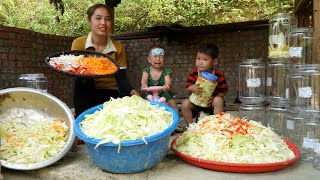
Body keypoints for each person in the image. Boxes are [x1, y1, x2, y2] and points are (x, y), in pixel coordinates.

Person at [71, 3, 139, 117]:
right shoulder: (79, 43)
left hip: (109, 90)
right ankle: (81, 122)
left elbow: (122, 79)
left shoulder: (118, 48)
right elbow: (76, 73)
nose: (103, 23)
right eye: (98, 18)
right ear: (89, 21)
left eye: (107, 19)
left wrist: (134, 93)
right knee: (82, 81)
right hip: (85, 90)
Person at [181, 43, 228, 126]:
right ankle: (190, 127)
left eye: (205, 59)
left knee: (219, 100)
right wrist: (191, 88)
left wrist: (213, 98)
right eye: (198, 58)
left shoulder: (218, 75)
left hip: (211, 103)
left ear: (214, 62)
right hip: (195, 102)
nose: (200, 62)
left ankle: (218, 125)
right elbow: (187, 90)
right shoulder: (193, 74)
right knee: (185, 103)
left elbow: (224, 91)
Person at [140, 45, 179, 113]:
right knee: (144, 106)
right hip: (151, 94)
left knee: (173, 104)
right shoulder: (146, 71)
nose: (158, 59)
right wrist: (144, 85)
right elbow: (144, 80)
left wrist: (167, 85)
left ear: (164, 59)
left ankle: (176, 121)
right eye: (155, 56)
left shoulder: (166, 71)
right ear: (149, 59)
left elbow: (168, 81)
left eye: (161, 56)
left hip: (164, 94)